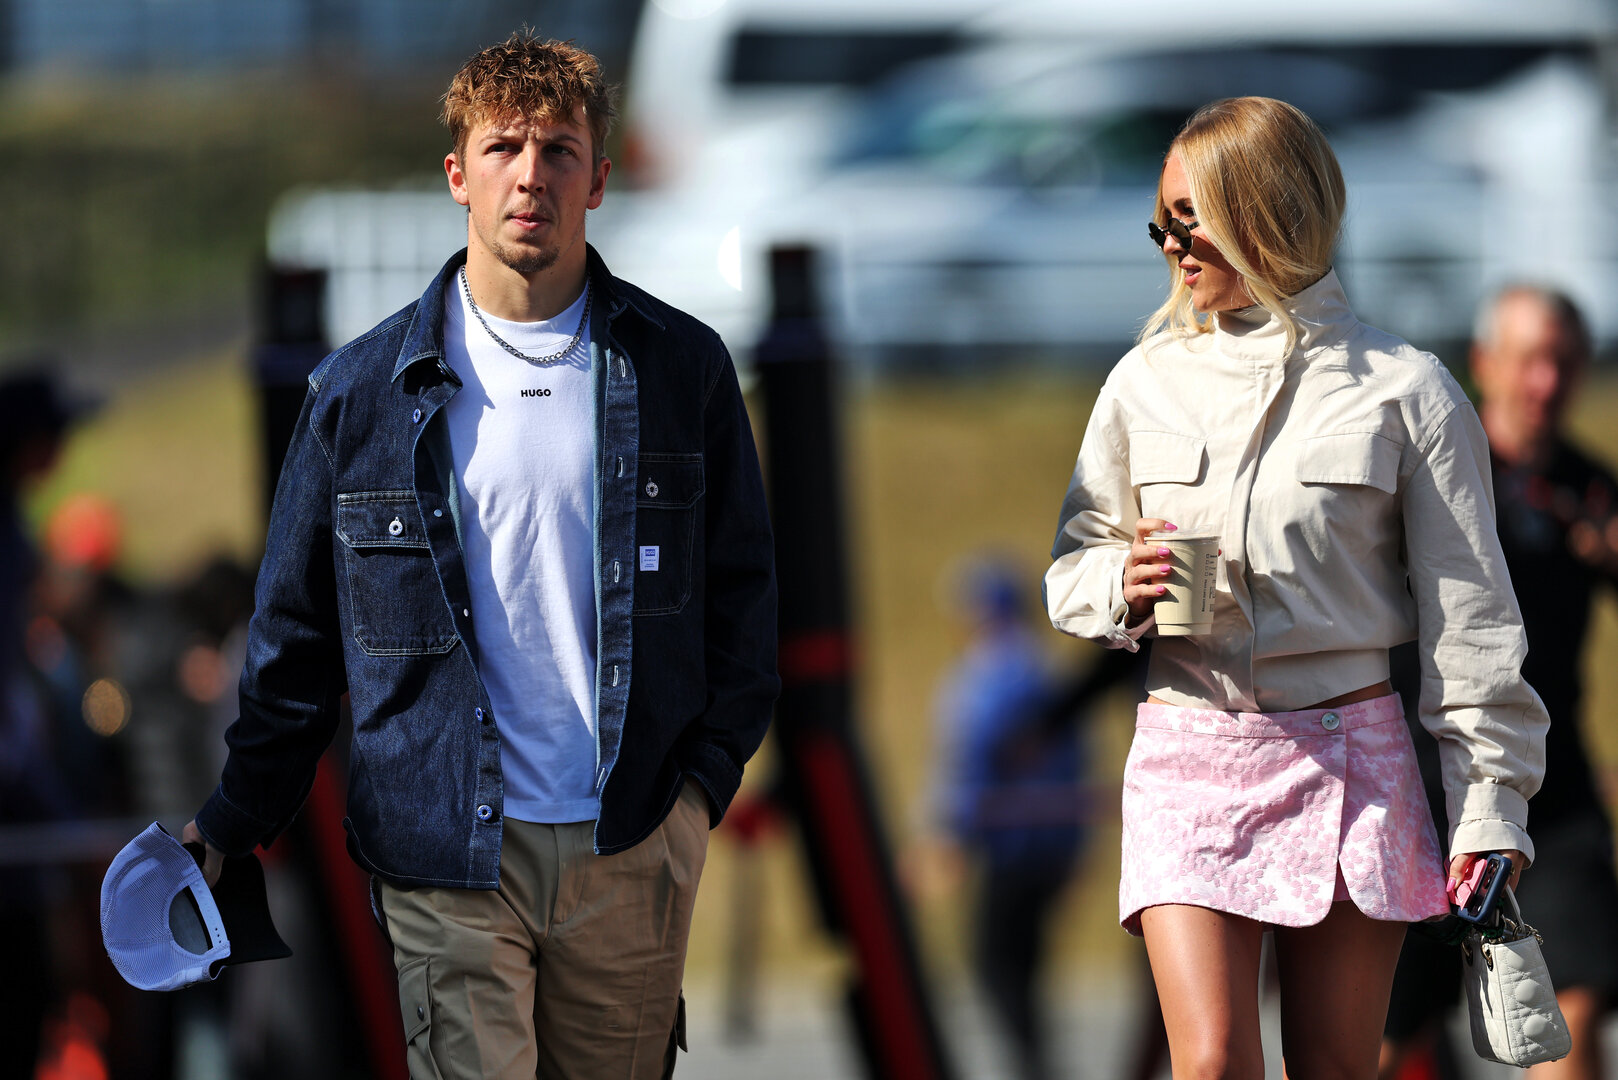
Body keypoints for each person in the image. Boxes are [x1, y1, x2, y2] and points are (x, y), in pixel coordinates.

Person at [181, 32, 779, 1080]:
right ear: (457, 174)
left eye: (559, 150)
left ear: (599, 176)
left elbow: (745, 605)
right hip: (444, 851)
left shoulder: (682, 369)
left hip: (629, 835)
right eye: (504, 147)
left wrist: (695, 800)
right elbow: (295, 640)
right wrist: (234, 818)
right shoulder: (355, 396)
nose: (531, 176)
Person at [1043, 97, 1548, 1079]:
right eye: (1161, 223)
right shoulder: (1140, 382)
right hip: (1186, 742)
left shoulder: (1408, 391)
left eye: (1190, 220)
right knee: (1213, 1061)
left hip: (1351, 759)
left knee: (1330, 1066)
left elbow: (1472, 623)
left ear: (1267, 209)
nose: (1171, 247)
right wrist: (1123, 588)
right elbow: (1071, 567)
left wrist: (1490, 806)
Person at [1381, 286, 1618, 1080]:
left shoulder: (1592, 492)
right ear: (1484, 365)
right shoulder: (1427, 475)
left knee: (1569, 1005)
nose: (1546, 382)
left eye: (1564, 362)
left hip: (1550, 795)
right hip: (1418, 793)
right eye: (1529, 360)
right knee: (1372, 1043)